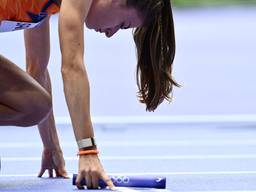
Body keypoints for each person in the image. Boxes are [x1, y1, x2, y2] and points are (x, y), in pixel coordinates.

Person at [0, 0, 178, 190]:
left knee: (34, 105)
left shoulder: (44, 5)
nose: (111, 33)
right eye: (122, 25)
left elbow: (37, 70)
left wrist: (51, 146)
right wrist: (88, 152)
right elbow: (72, 67)